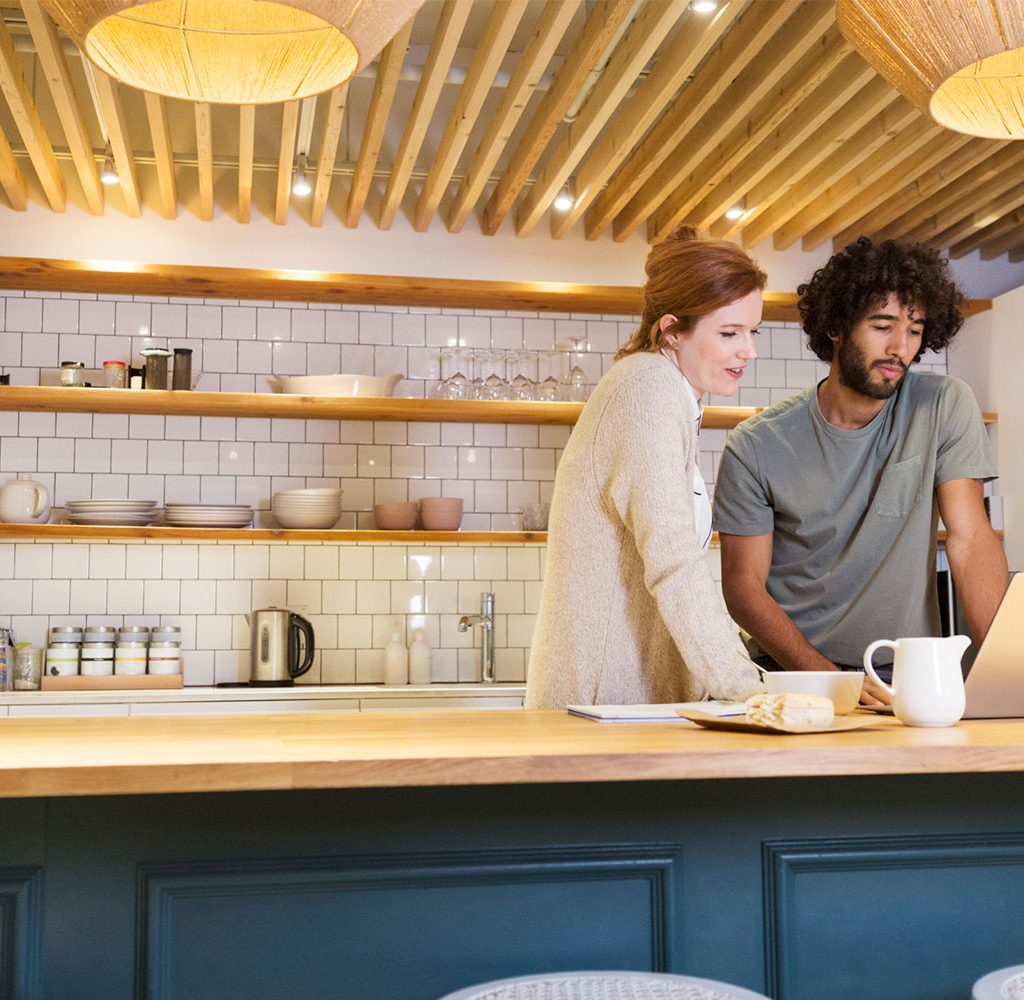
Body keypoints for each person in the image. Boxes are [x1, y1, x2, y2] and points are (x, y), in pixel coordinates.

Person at [713, 237, 1008, 702]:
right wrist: (835, 681)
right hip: (793, 677)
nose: (900, 348)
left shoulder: (943, 404)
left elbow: (970, 538)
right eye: (882, 325)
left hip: (906, 676)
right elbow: (742, 588)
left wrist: (1007, 672)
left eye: (914, 329)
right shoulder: (756, 445)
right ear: (836, 325)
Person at [525, 227, 766, 709]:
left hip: (623, 705)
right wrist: (750, 691)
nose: (749, 351)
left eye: (752, 331)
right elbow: (674, 560)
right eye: (729, 333)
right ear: (673, 330)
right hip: (602, 706)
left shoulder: (663, 391)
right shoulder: (647, 393)